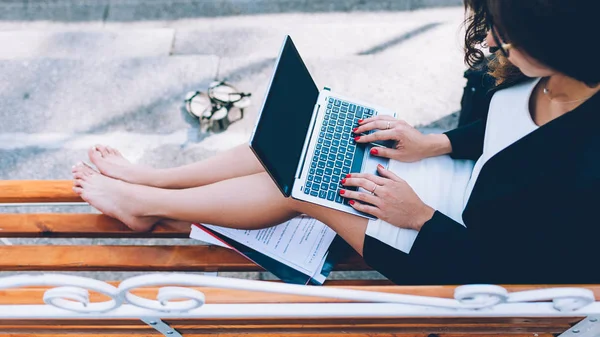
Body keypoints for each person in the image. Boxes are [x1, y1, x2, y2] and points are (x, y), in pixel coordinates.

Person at [72, 0, 600, 285]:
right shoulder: (535, 76)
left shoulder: (585, 166)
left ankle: (146, 206)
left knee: (304, 188)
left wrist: (417, 216)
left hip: (455, 251)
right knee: (310, 133)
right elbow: (504, 134)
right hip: (460, 191)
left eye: (505, 34)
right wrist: (431, 144)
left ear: (560, 47)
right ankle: (153, 178)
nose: (490, 41)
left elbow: (516, 273)